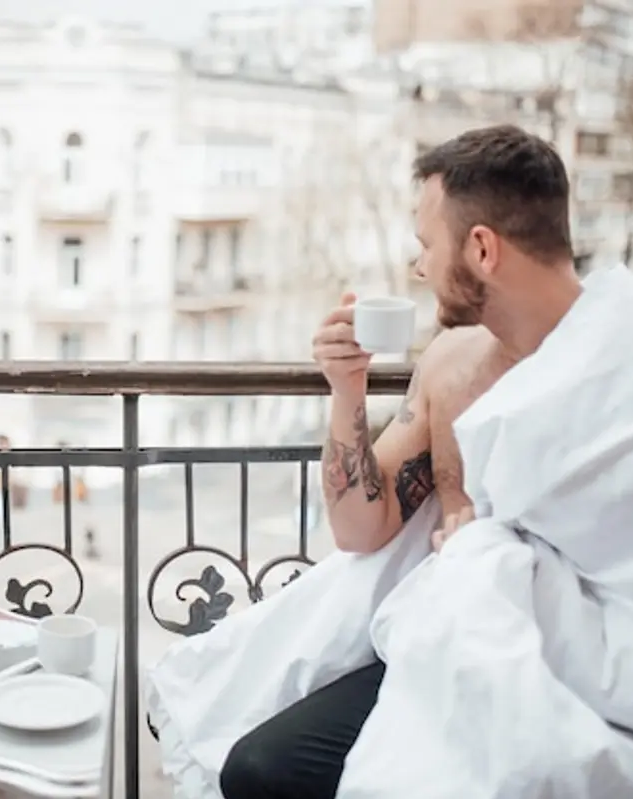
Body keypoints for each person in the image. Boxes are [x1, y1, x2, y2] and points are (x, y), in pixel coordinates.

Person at [219, 124, 582, 799]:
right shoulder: (450, 362)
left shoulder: (606, 374)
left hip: (556, 673)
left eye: (425, 246)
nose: (418, 268)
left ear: (480, 248)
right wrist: (347, 389)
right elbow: (361, 527)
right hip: (437, 647)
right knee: (255, 766)